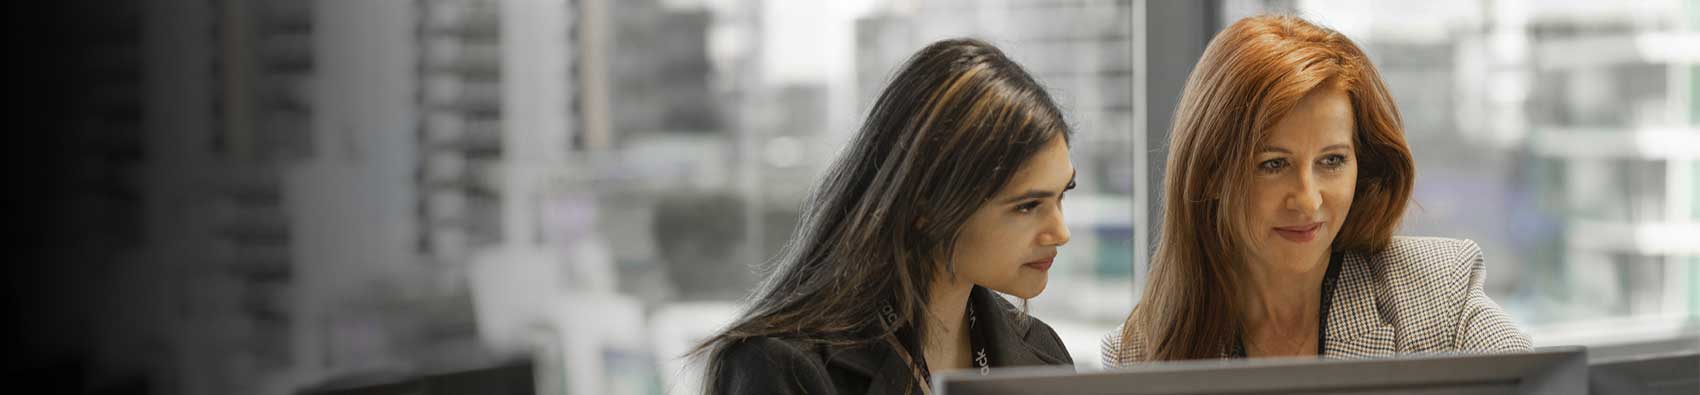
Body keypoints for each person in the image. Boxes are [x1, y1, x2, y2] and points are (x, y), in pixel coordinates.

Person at [1101, 15, 1530, 366]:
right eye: (1273, 165)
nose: (1308, 199)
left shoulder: (1437, 291)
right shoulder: (1139, 351)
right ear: (1211, 173)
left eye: (1332, 161)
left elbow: (1545, 383)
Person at [691, 38, 1078, 394]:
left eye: (1063, 195)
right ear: (925, 206)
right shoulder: (781, 366)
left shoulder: (1042, 353)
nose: (1060, 232)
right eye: (1028, 206)